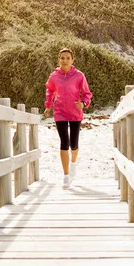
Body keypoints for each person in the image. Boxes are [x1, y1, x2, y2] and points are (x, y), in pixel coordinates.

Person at [44, 48, 92, 188]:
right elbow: (50, 90)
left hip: (75, 112)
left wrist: (83, 103)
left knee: (74, 143)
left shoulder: (79, 76)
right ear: (59, 59)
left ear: (72, 60)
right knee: (64, 142)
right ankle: (66, 175)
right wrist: (48, 105)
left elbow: (86, 93)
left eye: (67, 58)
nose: (64, 60)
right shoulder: (54, 76)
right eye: (62, 58)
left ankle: (74, 163)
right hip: (60, 112)